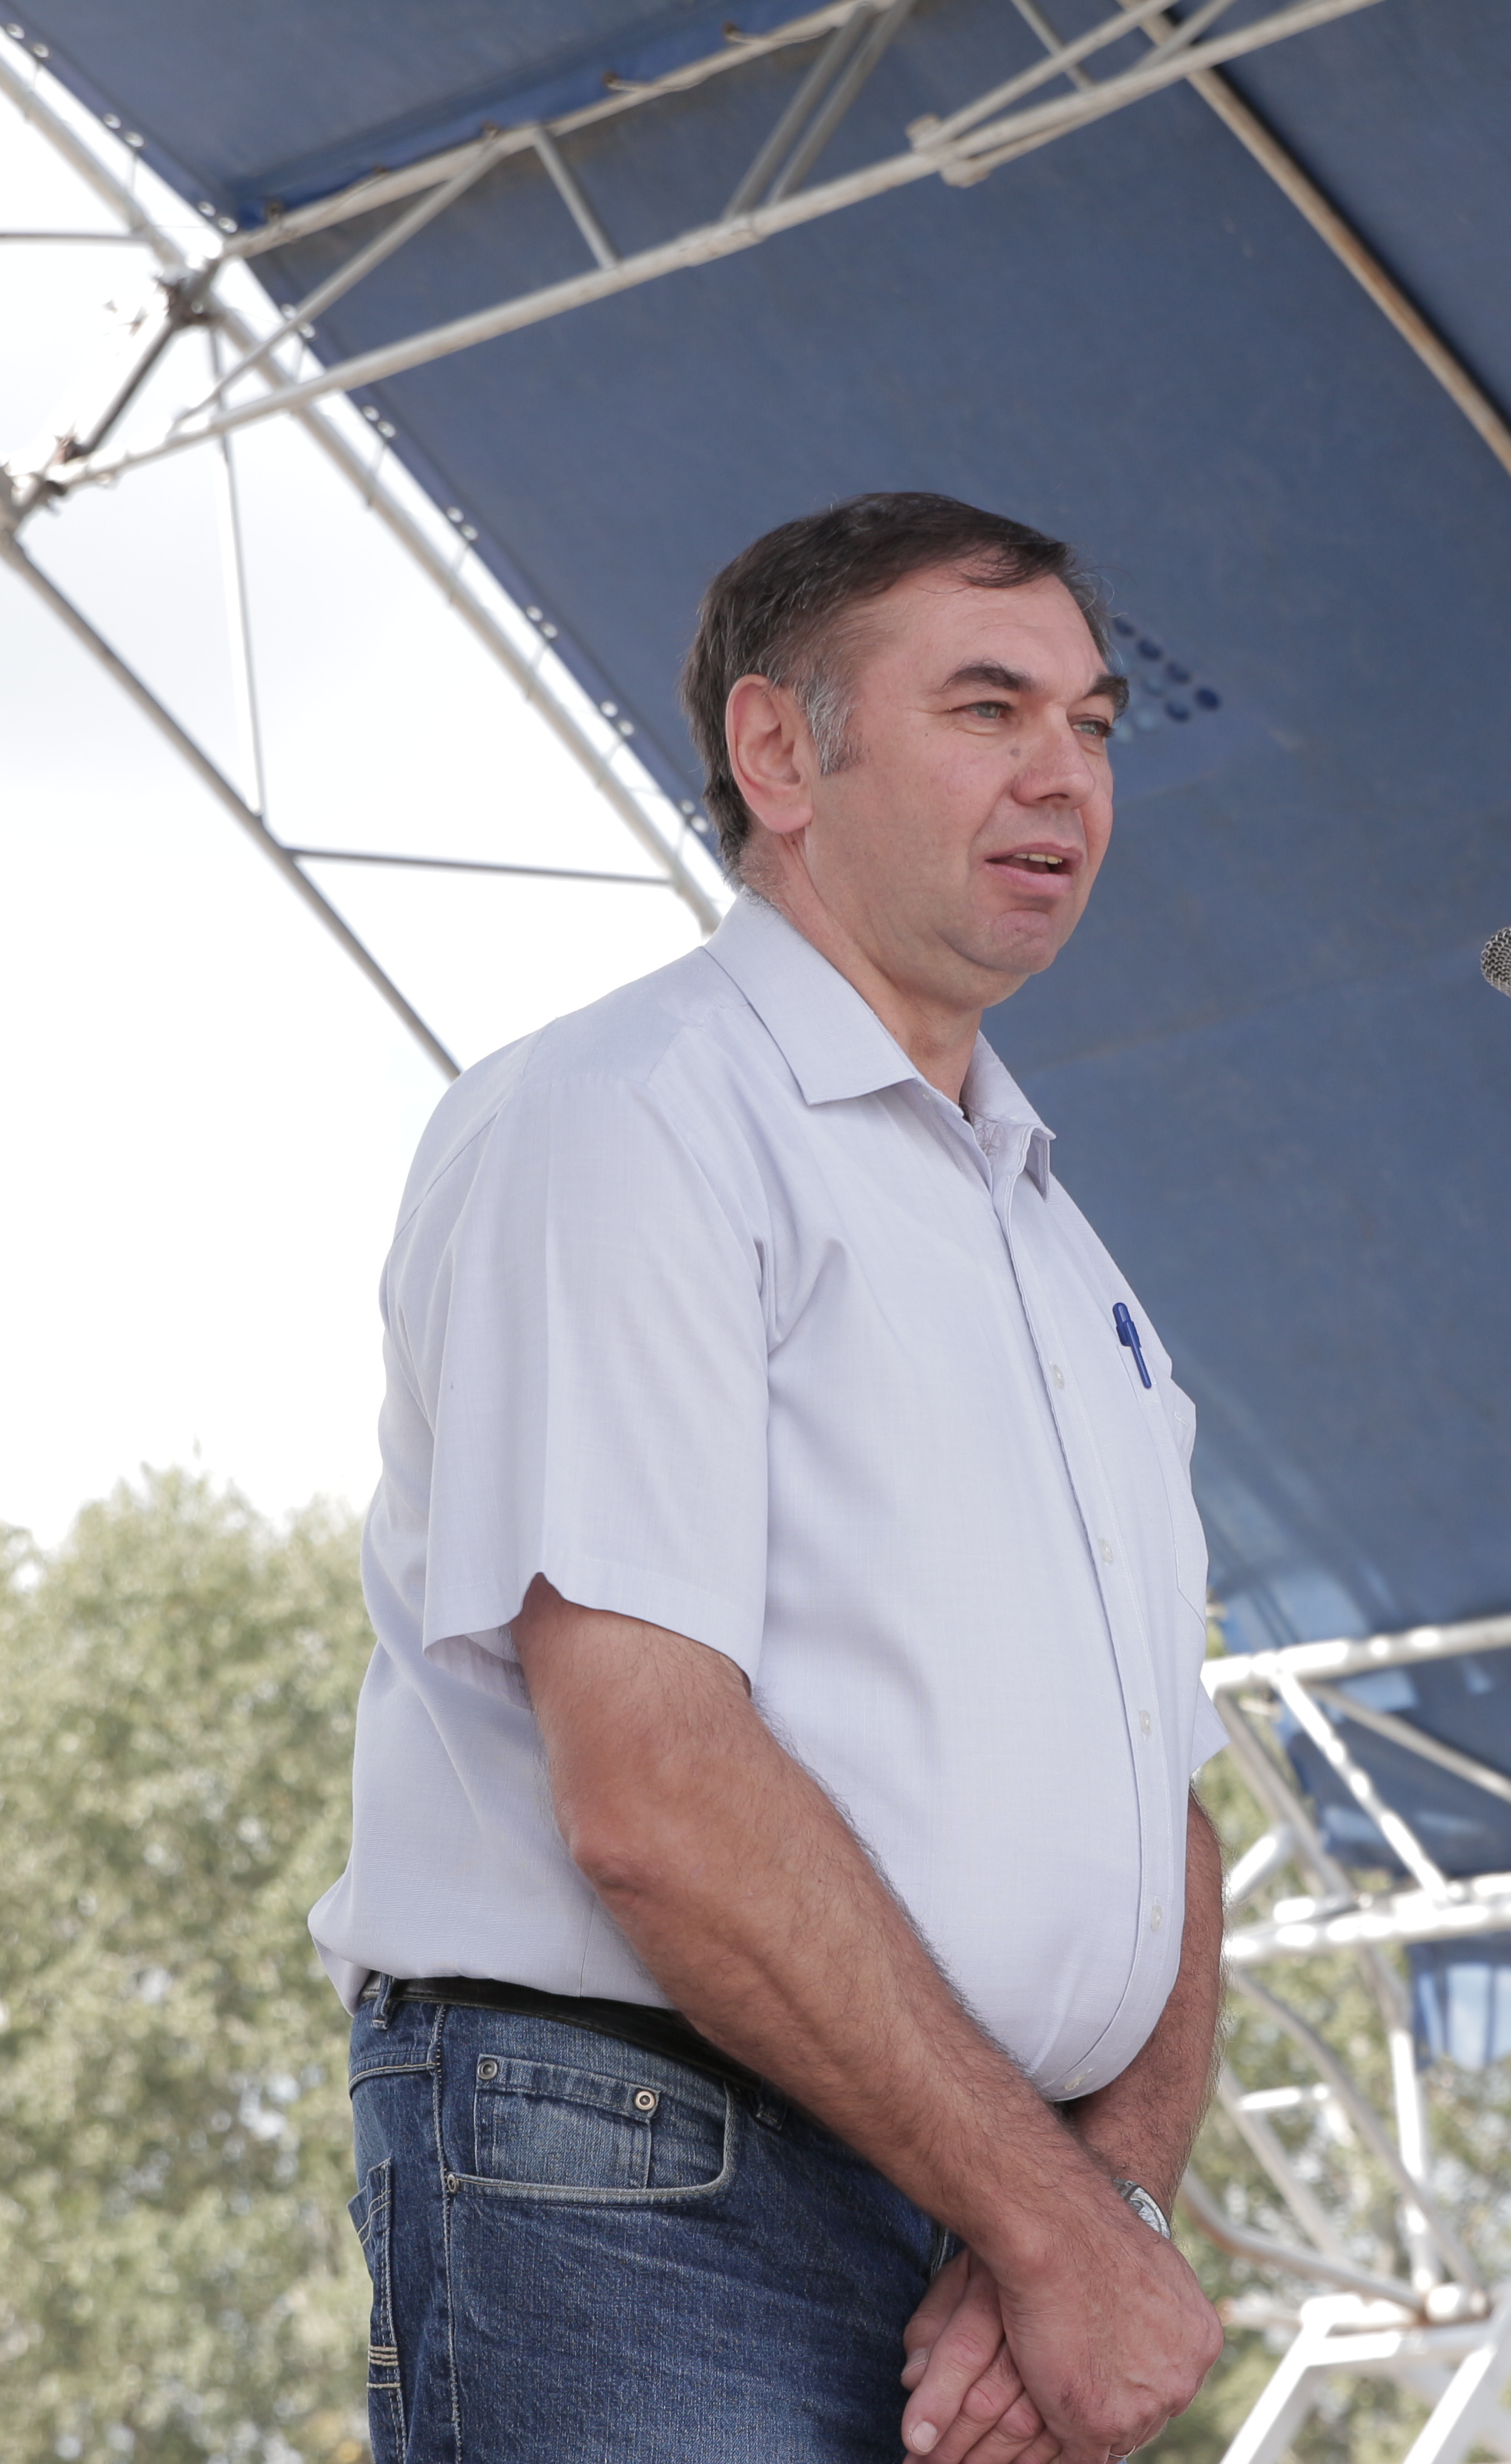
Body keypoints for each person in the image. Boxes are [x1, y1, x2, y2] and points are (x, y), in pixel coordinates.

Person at [308, 493, 1229, 2464]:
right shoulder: (630, 1120)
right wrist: (1056, 2227)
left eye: (1093, 722)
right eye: (987, 708)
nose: (1065, 772)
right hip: (650, 2180)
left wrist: (1100, 2201)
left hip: (978, 2209)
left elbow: (1162, 1817)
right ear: (778, 753)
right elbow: (654, 1791)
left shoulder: (1062, 1252)